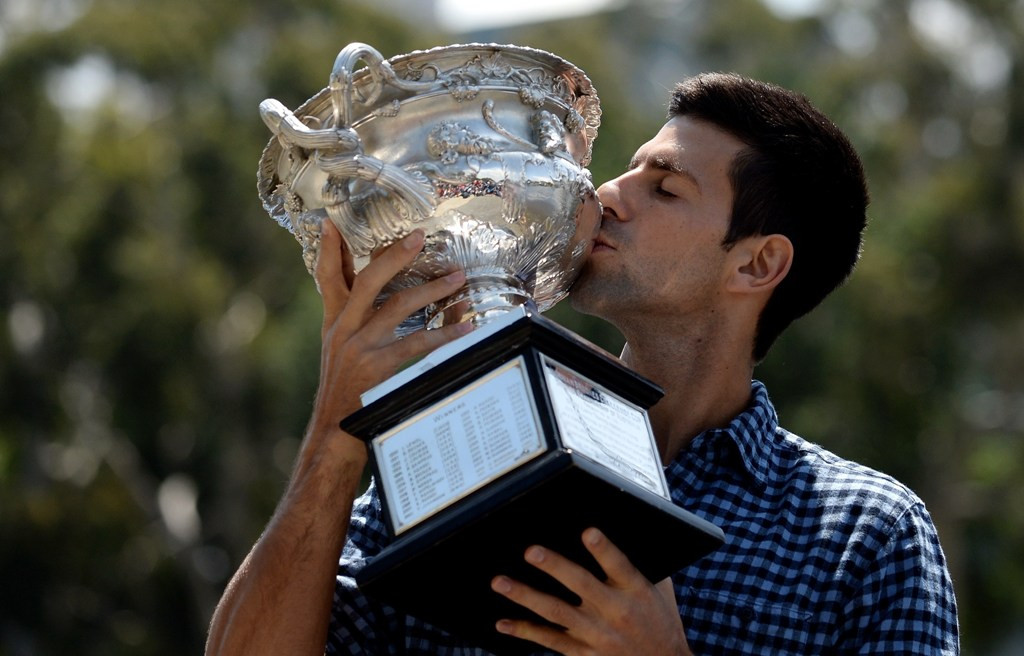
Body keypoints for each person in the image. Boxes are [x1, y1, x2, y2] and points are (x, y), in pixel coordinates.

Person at [206, 73, 959, 655]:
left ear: (758, 263)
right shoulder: (463, 449)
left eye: (664, 188)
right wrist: (337, 435)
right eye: (627, 170)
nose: (608, 195)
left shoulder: (865, 535)